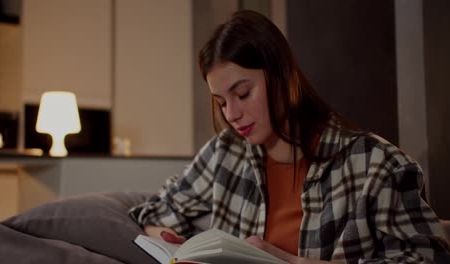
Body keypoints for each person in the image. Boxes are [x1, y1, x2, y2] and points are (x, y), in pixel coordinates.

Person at [129, 10, 450, 263]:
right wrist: (175, 245)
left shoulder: (377, 165)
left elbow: (427, 257)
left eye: (242, 93)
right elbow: (157, 209)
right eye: (222, 101)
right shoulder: (225, 152)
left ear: (283, 77)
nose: (231, 114)